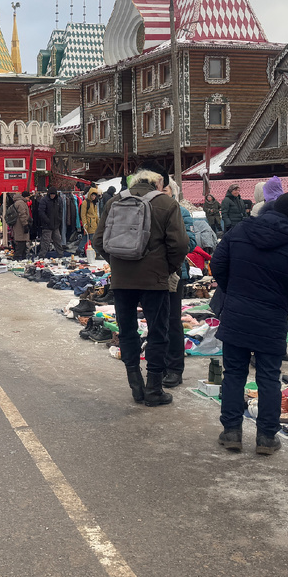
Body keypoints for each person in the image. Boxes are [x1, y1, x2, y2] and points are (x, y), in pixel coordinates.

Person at [211, 192, 288, 454]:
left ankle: (231, 432)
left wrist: (234, 292)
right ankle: (267, 438)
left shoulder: (239, 230)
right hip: (271, 319)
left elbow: (218, 264)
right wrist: (284, 304)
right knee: (269, 377)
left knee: (234, 374)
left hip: (236, 315)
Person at [93, 169, 188, 406]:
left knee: (127, 331)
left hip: (122, 280)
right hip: (154, 280)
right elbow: (179, 244)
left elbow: (98, 240)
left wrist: (116, 263)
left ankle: (135, 384)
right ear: (158, 183)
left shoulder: (114, 202)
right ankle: (153, 389)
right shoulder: (167, 204)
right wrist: (168, 268)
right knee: (158, 332)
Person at [162, 178, 197, 388]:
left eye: (165, 190)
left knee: (173, 320)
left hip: (174, 273)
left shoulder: (181, 212)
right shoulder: (150, 211)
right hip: (152, 274)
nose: (161, 193)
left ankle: (175, 368)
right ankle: (160, 365)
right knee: (157, 320)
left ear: (173, 192)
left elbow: (191, 242)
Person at [37, 188, 64, 258]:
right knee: (46, 241)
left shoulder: (58, 200)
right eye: (51, 194)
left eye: (54, 194)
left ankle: (60, 254)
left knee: (58, 240)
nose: (53, 196)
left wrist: (59, 219)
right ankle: (42, 255)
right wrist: (47, 220)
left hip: (55, 224)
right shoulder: (44, 200)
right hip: (47, 225)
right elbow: (41, 212)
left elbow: (61, 210)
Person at [9, 190, 32, 259]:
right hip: (20, 226)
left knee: (21, 243)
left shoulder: (17, 203)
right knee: (21, 242)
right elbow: (22, 215)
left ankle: (21, 258)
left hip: (17, 225)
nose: (29, 199)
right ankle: (17, 258)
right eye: (28, 197)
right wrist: (25, 225)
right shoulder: (21, 203)